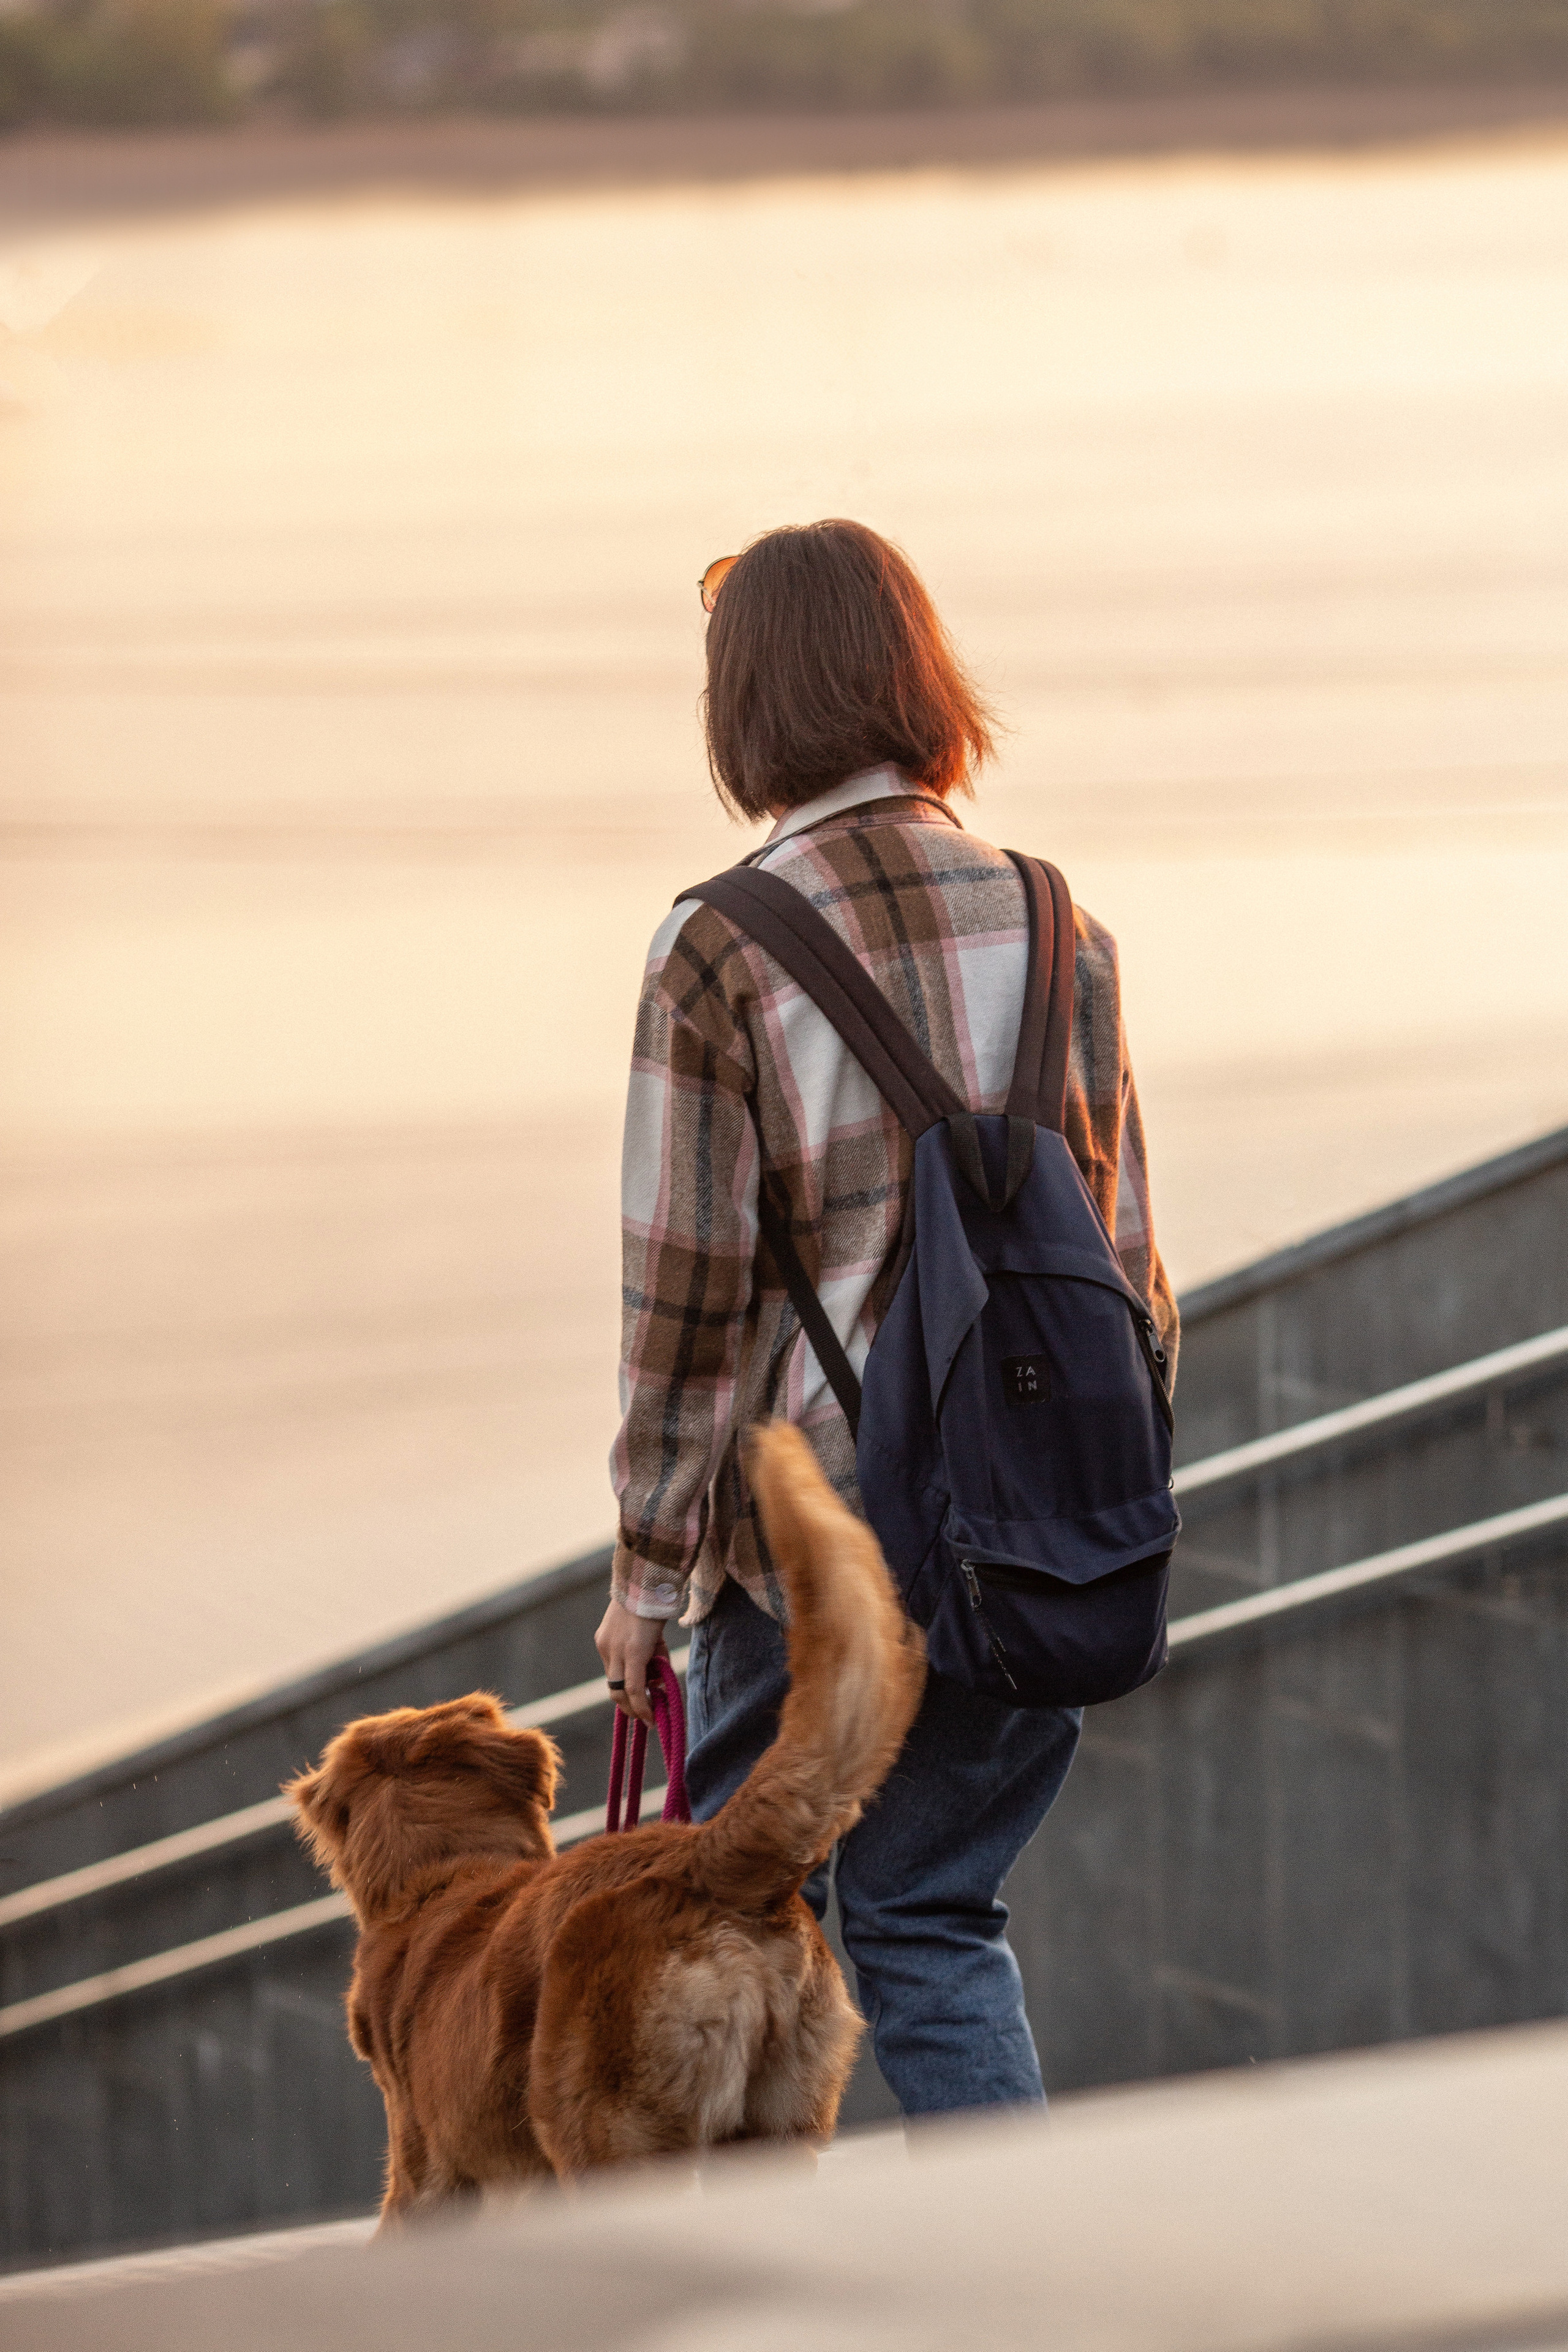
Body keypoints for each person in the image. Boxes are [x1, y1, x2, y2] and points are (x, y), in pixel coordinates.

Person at [596, 519, 1177, 2117]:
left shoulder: (718, 949)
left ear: (745, 704)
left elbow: (684, 1303)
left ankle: (722, 2262)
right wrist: (1089, 1501)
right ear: (920, 673)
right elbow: (1129, 1270)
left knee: (725, 1937)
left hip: (816, 1561)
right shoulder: (1058, 924)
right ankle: (1013, 2256)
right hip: (1026, 1532)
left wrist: (647, 1575)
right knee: (935, 1919)